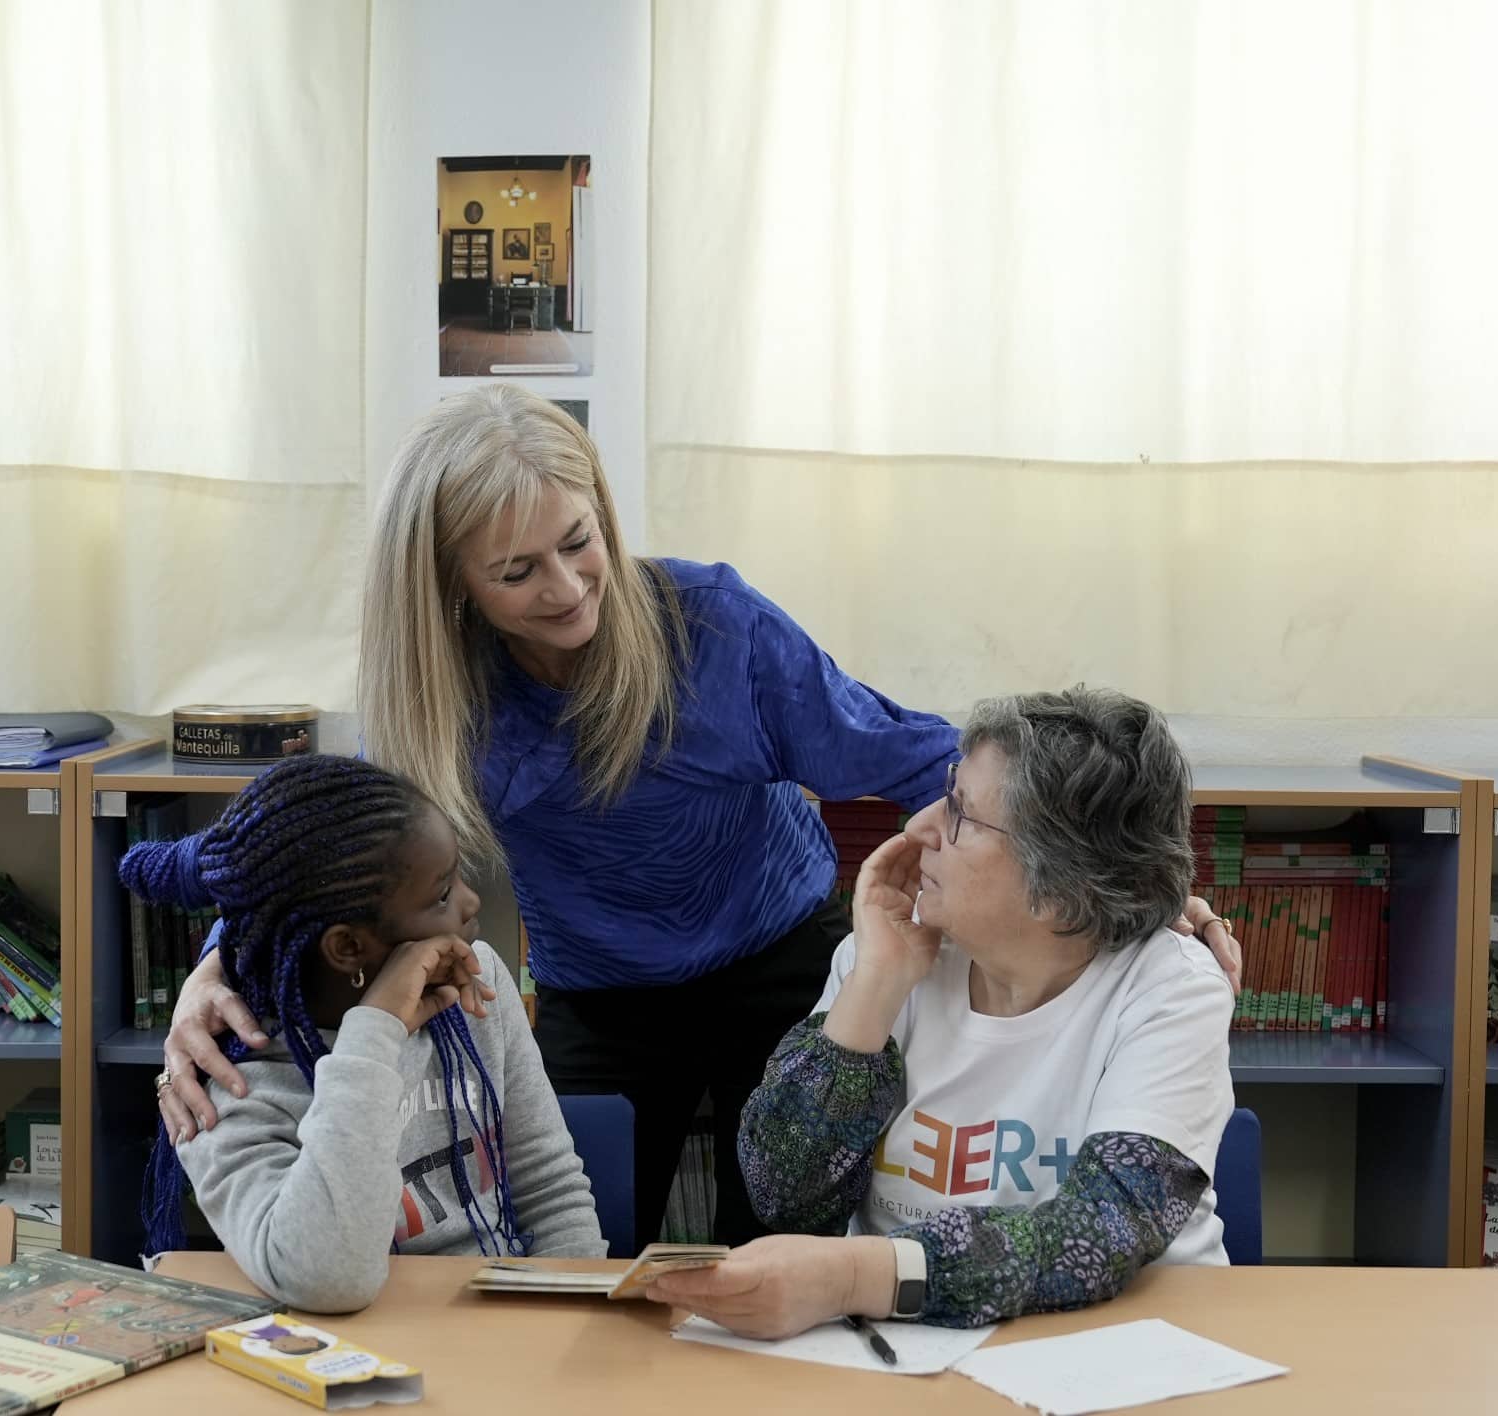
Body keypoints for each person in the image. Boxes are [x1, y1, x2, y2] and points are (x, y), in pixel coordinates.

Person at [156, 385, 1243, 1250]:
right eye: (517, 571)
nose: (569, 587)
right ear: (453, 588)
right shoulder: (442, 694)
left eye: (579, 541)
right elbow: (324, 852)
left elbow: (923, 759)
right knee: (560, 1239)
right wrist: (221, 965)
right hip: (598, 991)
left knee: (777, 1229)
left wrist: (1128, 892)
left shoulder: (715, 632)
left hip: (777, 959)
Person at [651, 689, 1232, 1336]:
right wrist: (876, 985)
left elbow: (1097, 1233)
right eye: (946, 790)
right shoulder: (885, 953)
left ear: (1061, 896)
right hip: (904, 1351)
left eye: (961, 813)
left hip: (1127, 1346)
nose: (918, 828)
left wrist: (852, 1275)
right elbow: (785, 1199)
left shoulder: (1169, 987)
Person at [130, 754, 603, 1312]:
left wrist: (574, 1329)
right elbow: (329, 1278)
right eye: (443, 895)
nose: (473, 904)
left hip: (504, 1335)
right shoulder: (226, 1088)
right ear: (348, 948)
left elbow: (550, 1190)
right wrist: (375, 1032)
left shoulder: (476, 984)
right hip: (345, 1359)